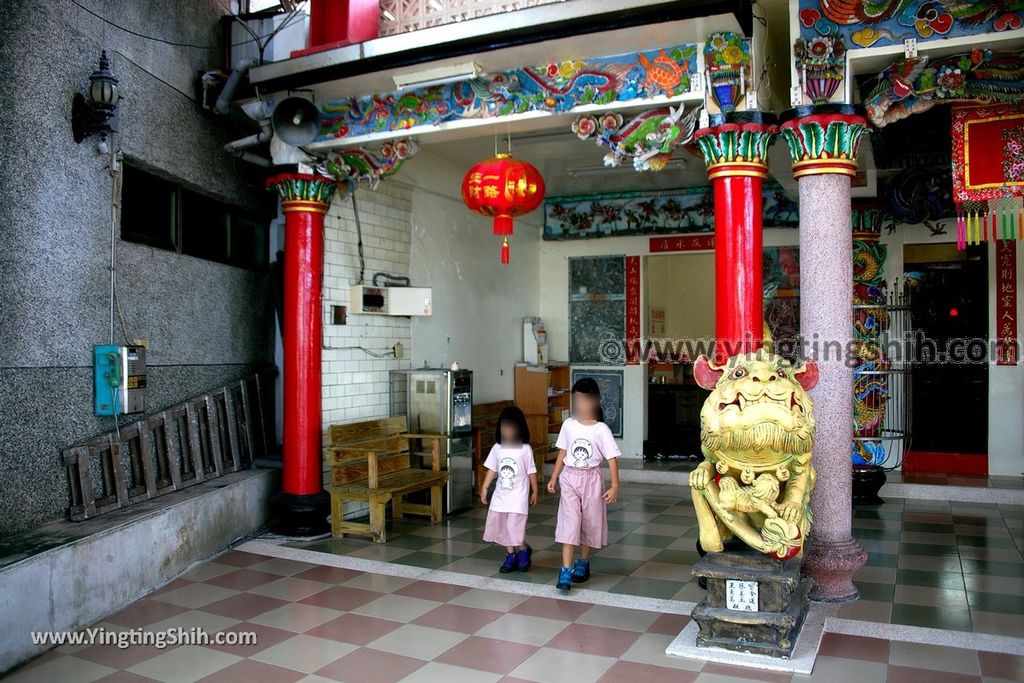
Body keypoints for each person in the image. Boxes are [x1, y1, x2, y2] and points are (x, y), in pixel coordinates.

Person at [547, 377, 621, 592]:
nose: (580, 405)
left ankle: (583, 562)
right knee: (569, 522)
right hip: (570, 478)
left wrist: (615, 485)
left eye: (585, 400)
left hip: (592, 479)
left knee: (589, 521)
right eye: (577, 400)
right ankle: (565, 570)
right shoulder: (568, 425)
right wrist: (554, 476)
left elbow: (612, 458)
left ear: (594, 401)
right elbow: (563, 451)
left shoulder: (601, 430)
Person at [479, 406, 538, 573]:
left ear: (519, 428)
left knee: (514, 528)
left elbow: (531, 471)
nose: (506, 431)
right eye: (504, 427)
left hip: (518, 498)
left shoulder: (525, 449)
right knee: (504, 527)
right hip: (500, 497)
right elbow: (492, 469)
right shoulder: (497, 448)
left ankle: (523, 549)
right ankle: (511, 555)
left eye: (510, 427)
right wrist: (484, 487)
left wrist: (534, 491)